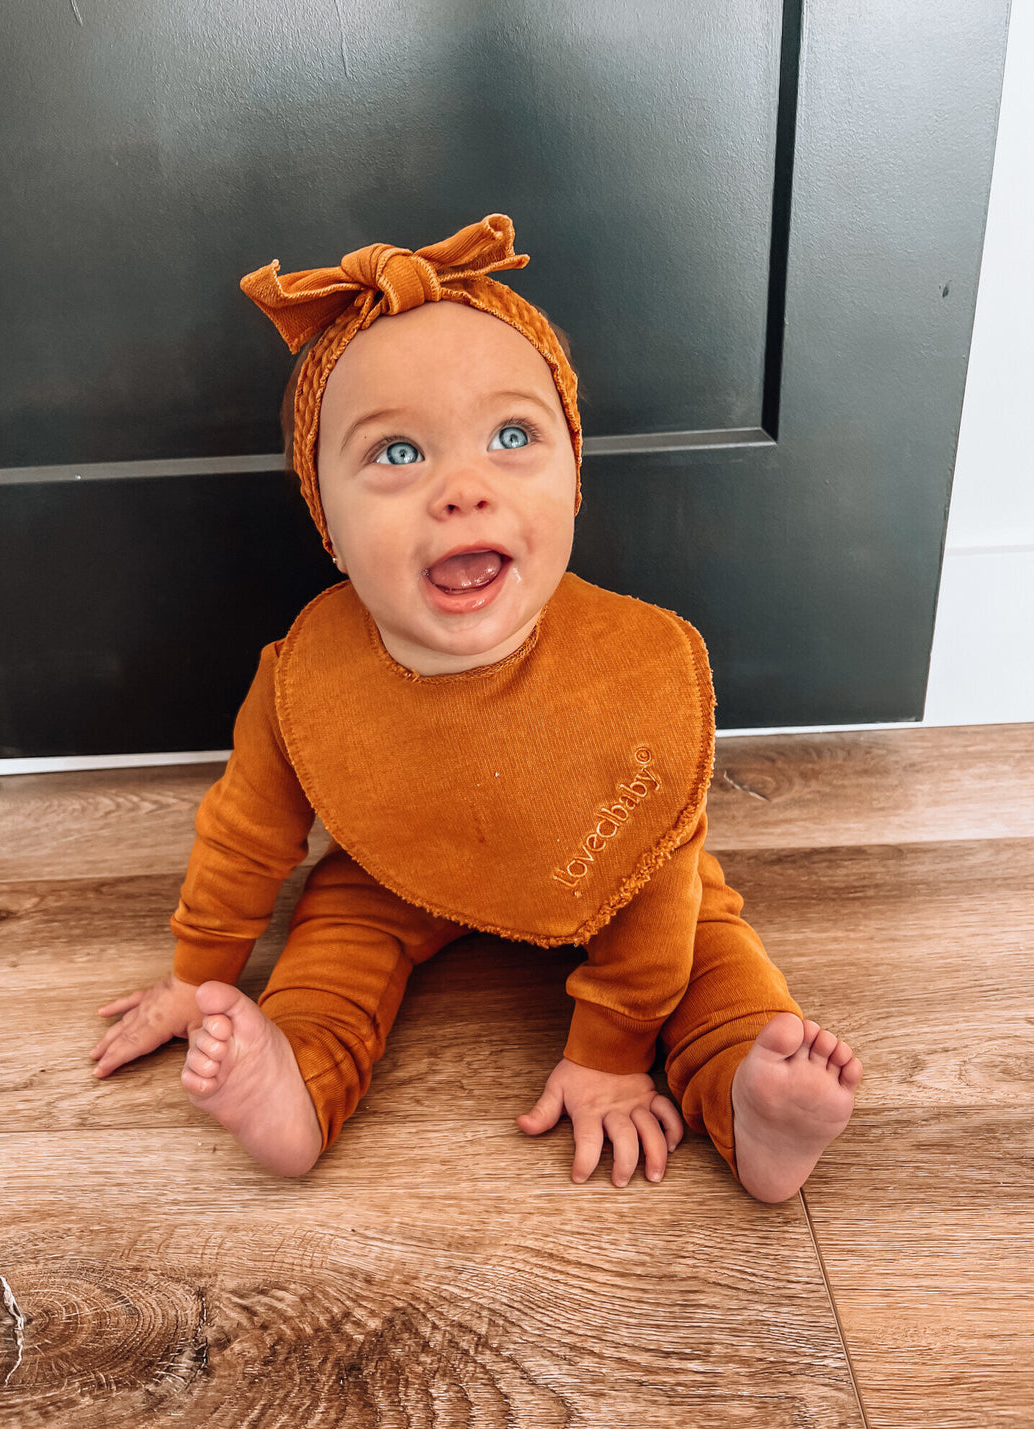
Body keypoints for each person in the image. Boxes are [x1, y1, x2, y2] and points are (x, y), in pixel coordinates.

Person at [89, 213, 862, 1202]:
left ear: (574, 476)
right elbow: (245, 841)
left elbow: (655, 903)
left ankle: (750, 1093)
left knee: (705, 938)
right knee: (333, 943)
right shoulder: (304, 678)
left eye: (511, 437)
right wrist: (199, 976)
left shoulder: (636, 669)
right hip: (393, 860)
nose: (463, 490)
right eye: (397, 454)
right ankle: (295, 1084)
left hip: (610, 860)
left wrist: (611, 1054)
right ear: (327, 522)